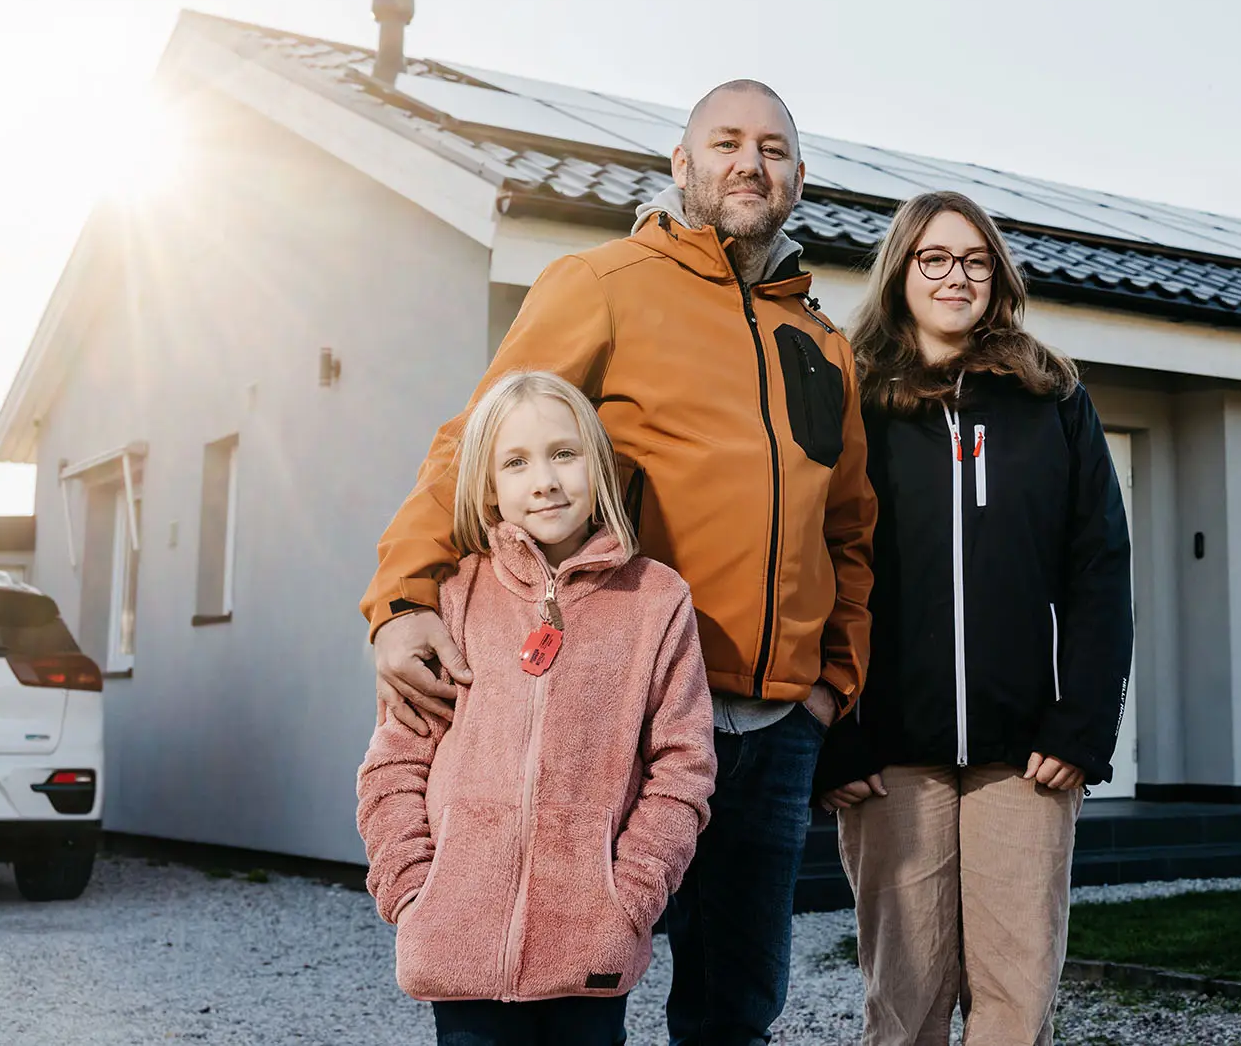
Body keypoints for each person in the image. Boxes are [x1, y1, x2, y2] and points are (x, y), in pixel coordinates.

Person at [359, 81, 877, 1046]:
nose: (747, 162)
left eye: (771, 148)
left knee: (736, 1008)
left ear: (798, 179)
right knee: (579, 990)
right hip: (621, 709)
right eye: (724, 142)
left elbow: (848, 532)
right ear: (682, 167)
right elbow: (478, 443)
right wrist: (401, 596)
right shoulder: (601, 284)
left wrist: (828, 687)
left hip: (773, 733)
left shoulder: (824, 346)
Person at [817, 191, 1134, 1045]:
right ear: (901, 271)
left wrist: (1082, 725)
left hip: (1026, 757)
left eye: (975, 260)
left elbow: (1099, 567)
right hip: (889, 756)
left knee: (1014, 1001)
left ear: (997, 275)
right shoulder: (850, 397)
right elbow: (811, 563)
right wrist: (834, 730)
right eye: (935, 258)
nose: (956, 276)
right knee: (905, 1002)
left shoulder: (1054, 397)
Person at [356, 370, 716, 1045]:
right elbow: (394, 762)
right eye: (516, 462)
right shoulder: (455, 598)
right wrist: (411, 891)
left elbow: (683, 766)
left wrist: (630, 898)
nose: (544, 480)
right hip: (458, 946)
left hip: (589, 951)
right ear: (490, 486)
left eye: (563, 453)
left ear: (598, 464)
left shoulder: (655, 600)